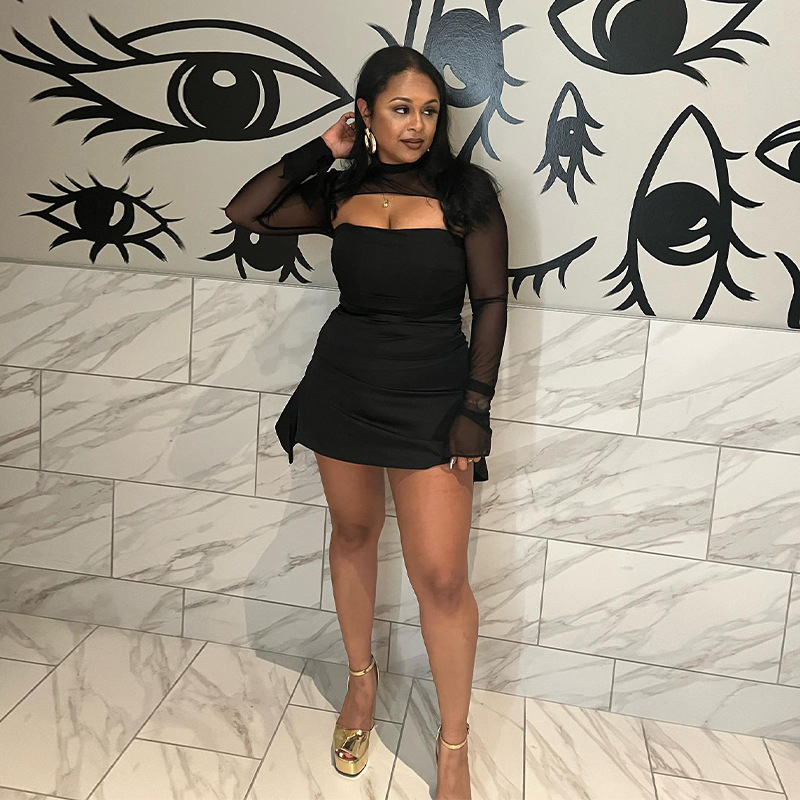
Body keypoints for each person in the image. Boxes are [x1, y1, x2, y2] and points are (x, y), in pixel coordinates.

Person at [225, 44, 508, 800]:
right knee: (353, 534)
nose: (417, 125)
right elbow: (246, 212)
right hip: (343, 386)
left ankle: (453, 746)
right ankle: (360, 682)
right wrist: (324, 149)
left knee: (441, 578)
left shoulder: (466, 194)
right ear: (367, 112)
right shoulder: (338, 191)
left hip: (432, 398)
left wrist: (475, 410)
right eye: (400, 109)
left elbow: (490, 303)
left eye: (429, 111)